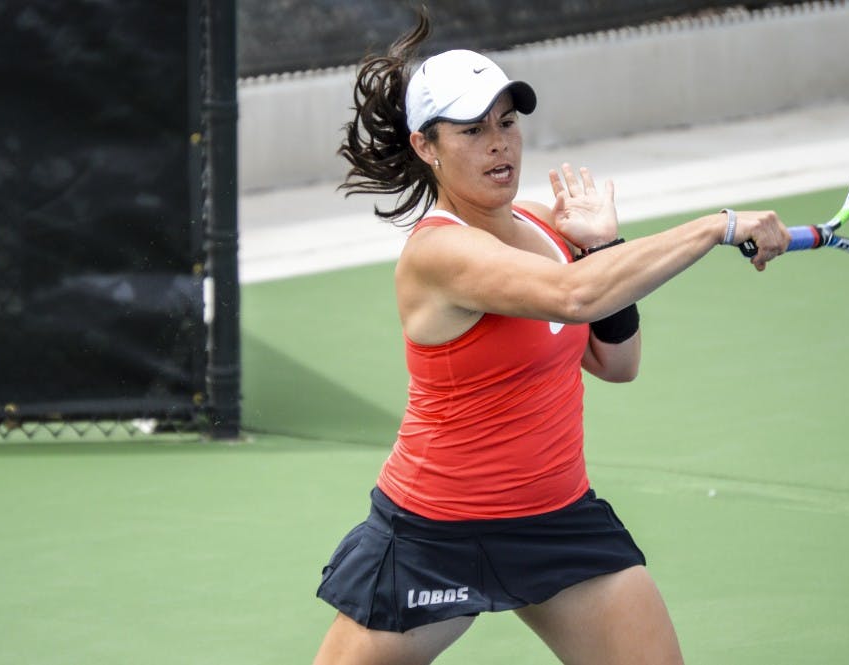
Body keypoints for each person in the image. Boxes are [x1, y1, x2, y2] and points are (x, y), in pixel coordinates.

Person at [313, 13, 790, 665]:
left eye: (507, 123)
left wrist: (602, 245)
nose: (498, 144)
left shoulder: (545, 225)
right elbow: (576, 295)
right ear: (426, 146)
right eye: (473, 130)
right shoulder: (439, 253)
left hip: (555, 518)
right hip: (437, 530)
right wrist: (715, 226)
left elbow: (618, 361)